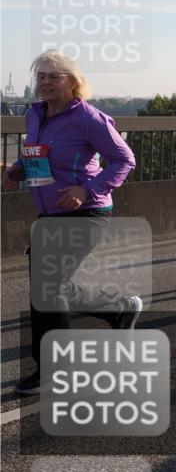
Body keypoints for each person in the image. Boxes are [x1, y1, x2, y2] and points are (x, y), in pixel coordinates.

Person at [3, 50, 138, 395]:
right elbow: (36, 154)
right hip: (50, 213)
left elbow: (124, 160)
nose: (46, 82)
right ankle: (118, 309)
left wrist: (87, 189)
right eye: (41, 76)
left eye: (54, 76)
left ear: (73, 82)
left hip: (87, 211)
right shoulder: (34, 114)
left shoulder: (89, 118)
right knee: (49, 286)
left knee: (49, 287)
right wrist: (17, 170)